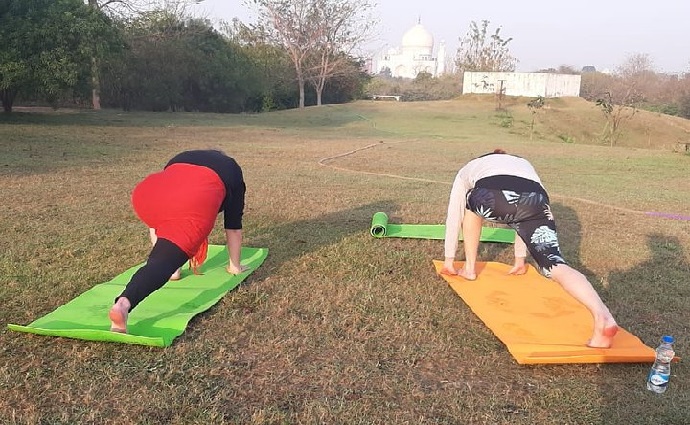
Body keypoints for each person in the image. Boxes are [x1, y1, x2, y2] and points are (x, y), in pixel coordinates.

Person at [442, 149, 619, 348]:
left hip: (491, 196)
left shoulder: (471, 167)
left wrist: (449, 259)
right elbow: (522, 214)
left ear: (486, 157)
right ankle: (602, 314)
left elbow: (454, 213)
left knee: (469, 207)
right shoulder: (524, 164)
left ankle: (470, 269)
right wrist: (520, 259)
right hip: (536, 199)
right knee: (555, 265)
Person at [109, 149, 249, 333]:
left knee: (162, 221)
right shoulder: (232, 170)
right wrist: (235, 267)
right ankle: (124, 303)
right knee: (162, 262)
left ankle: (174, 271)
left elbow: (168, 195)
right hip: (192, 201)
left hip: (147, 195)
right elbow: (233, 227)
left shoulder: (182, 157)